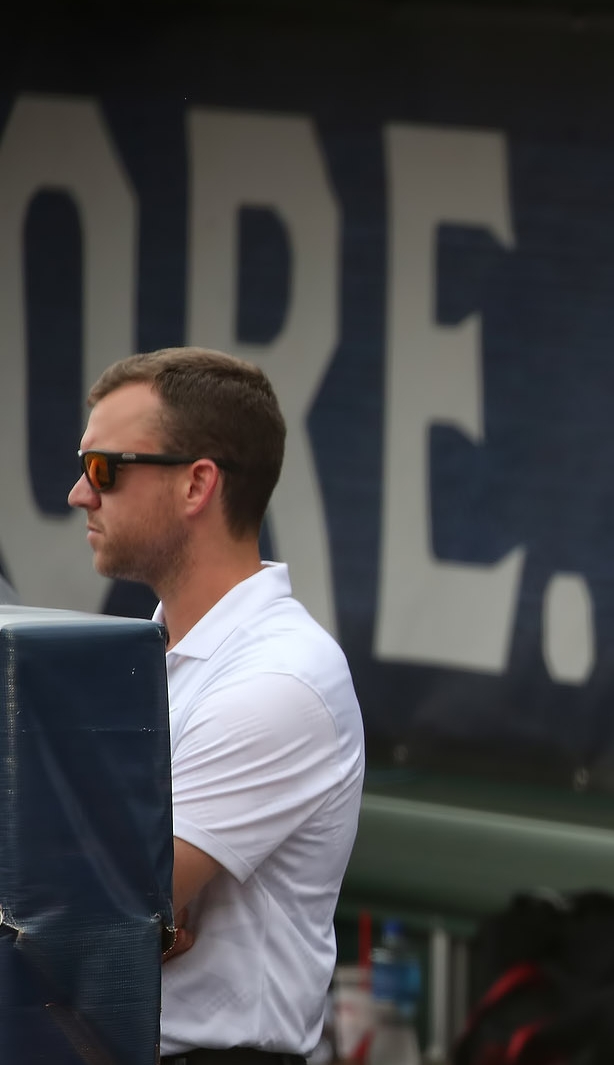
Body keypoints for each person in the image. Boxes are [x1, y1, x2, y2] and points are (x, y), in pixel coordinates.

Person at [68, 347, 365, 1065]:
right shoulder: (152, 654)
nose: (81, 492)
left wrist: (122, 919)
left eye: (105, 468)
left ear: (197, 484)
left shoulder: (281, 679)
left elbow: (90, 914)